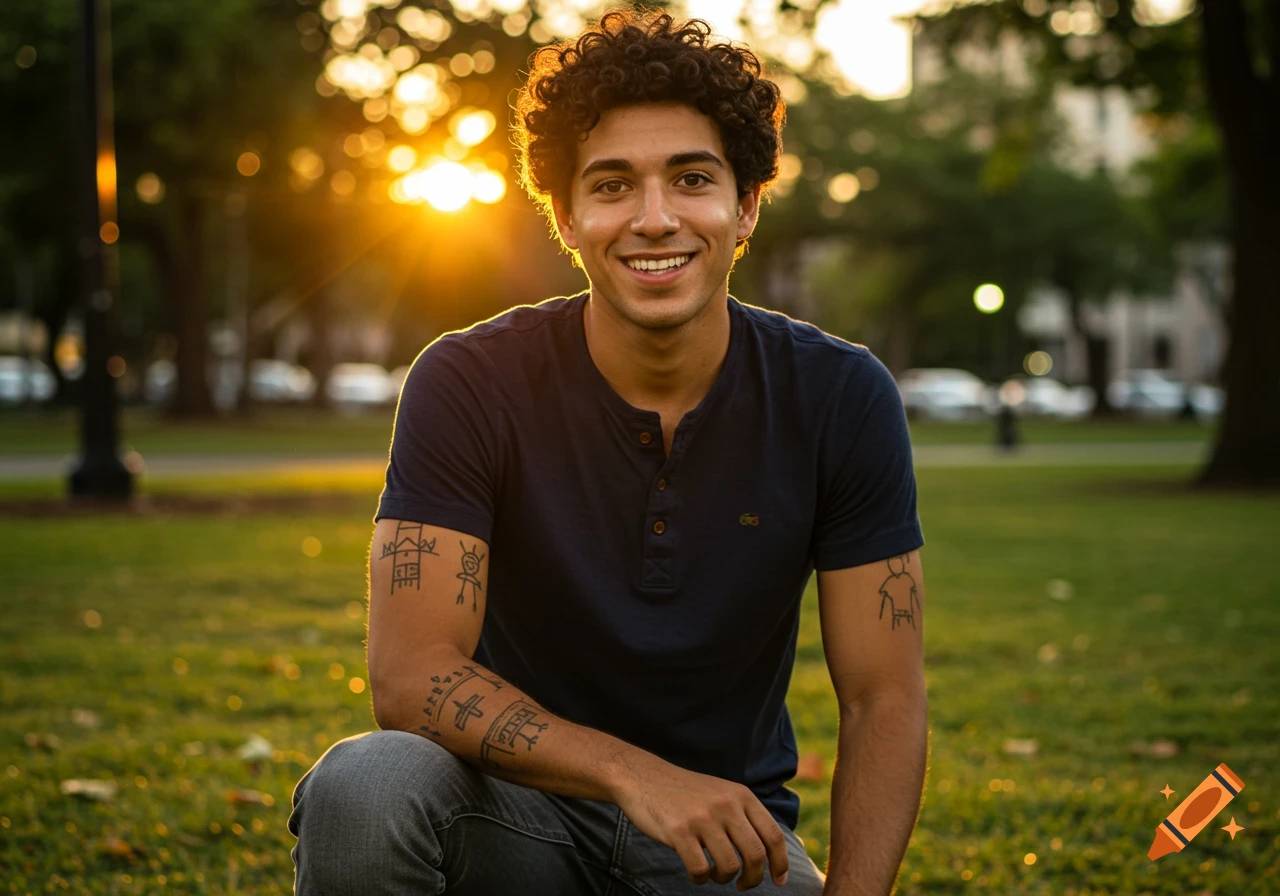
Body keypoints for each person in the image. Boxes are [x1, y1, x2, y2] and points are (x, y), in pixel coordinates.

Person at [288, 9, 929, 895]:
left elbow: (882, 699)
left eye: (693, 179)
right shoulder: (469, 380)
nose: (655, 219)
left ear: (745, 206)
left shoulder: (840, 395)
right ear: (568, 216)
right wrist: (639, 777)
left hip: (722, 849)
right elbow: (412, 678)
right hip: (513, 823)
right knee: (367, 785)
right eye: (614, 184)